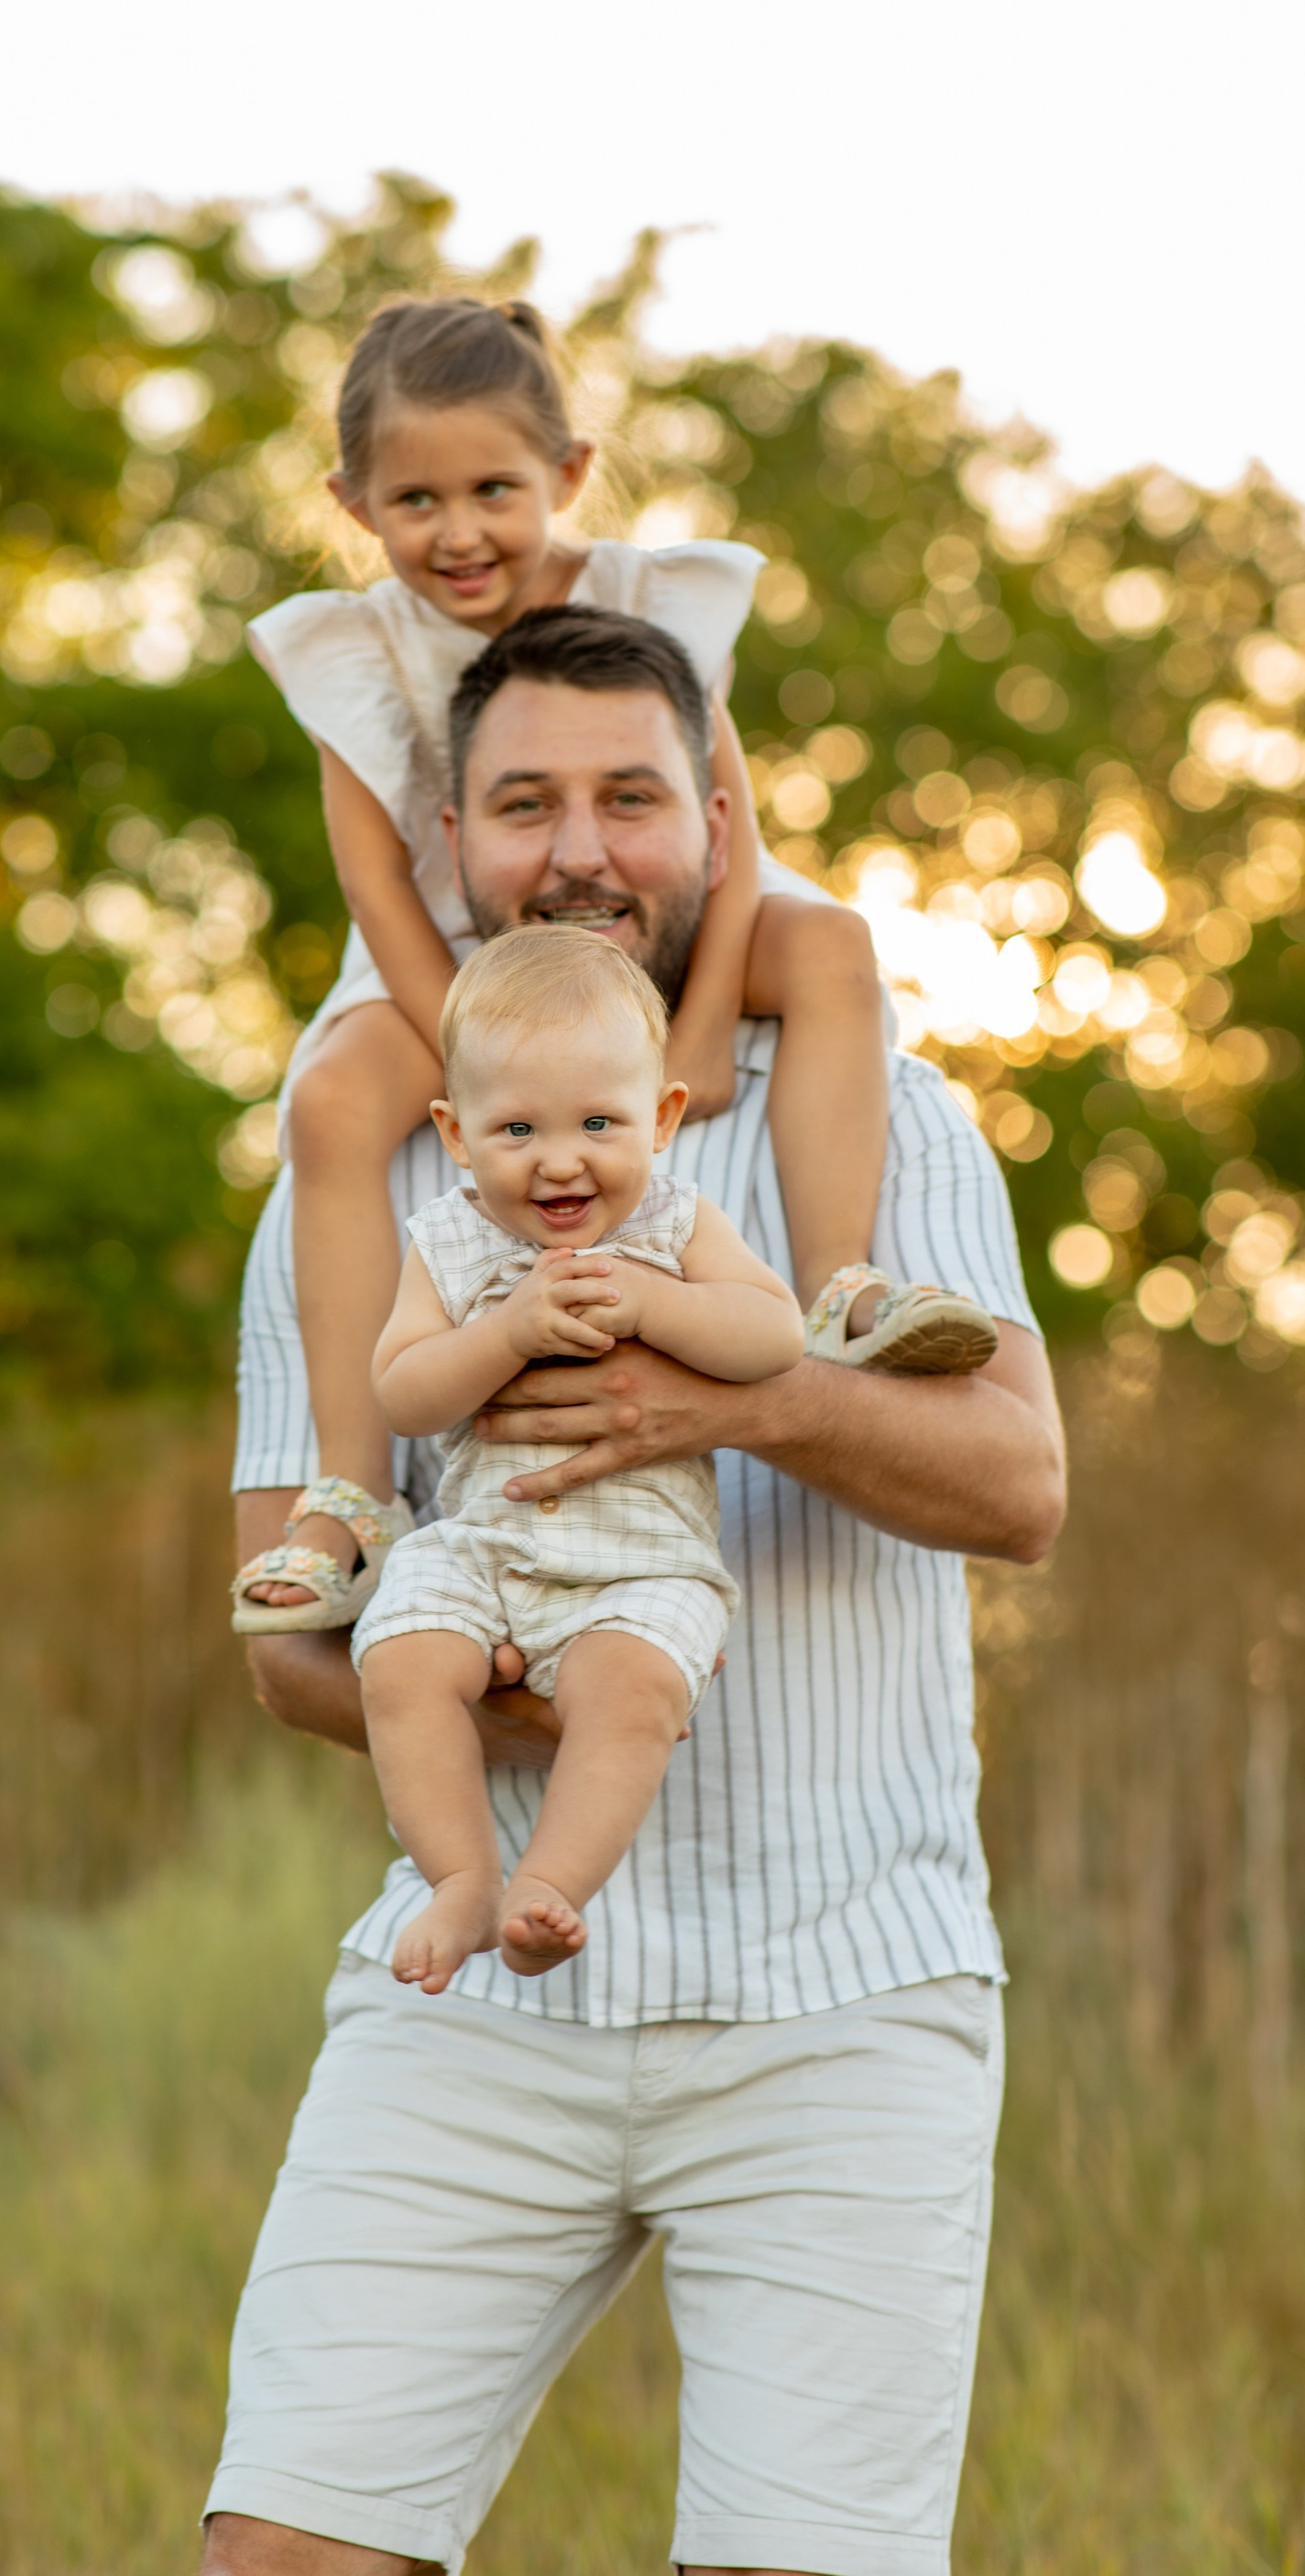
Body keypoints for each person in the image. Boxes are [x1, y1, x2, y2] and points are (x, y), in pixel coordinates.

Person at [208, 604, 1068, 2576]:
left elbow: (1023, 1487)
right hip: (470, 2014)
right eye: (524, 803)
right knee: (286, 2561)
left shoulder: (884, 1117)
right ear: (451, 837)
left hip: (841, 1998)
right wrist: (537, 1704)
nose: (581, 847)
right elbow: (282, 1640)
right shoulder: (377, 1163)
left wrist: (724, 1403)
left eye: (630, 795)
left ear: (717, 817)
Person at [233, 296, 997, 1635]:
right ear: (352, 503)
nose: (458, 532)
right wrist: (488, 1044)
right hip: (450, 952)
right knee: (332, 1102)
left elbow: (731, 838)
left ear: (571, 474)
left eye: (493, 489)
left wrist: (695, 1028)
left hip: (676, 940)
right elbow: (377, 883)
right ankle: (350, 1493)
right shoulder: (358, 653)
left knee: (830, 948)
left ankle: (842, 1283)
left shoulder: (645, 605)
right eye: (415, 500)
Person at [357, 925, 802, 1996]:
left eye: (599, 1122)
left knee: (634, 1693)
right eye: (516, 1128)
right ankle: (461, 1877)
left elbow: (774, 1337)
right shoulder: (450, 1242)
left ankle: (545, 1891)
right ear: (456, 1135)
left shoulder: (675, 1227)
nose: (560, 1158)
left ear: (661, 1118)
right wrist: (503, 1333)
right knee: (401, 1662)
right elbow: (404, 1389)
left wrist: (659, 1301)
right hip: (484, 1544)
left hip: (641, 1565)